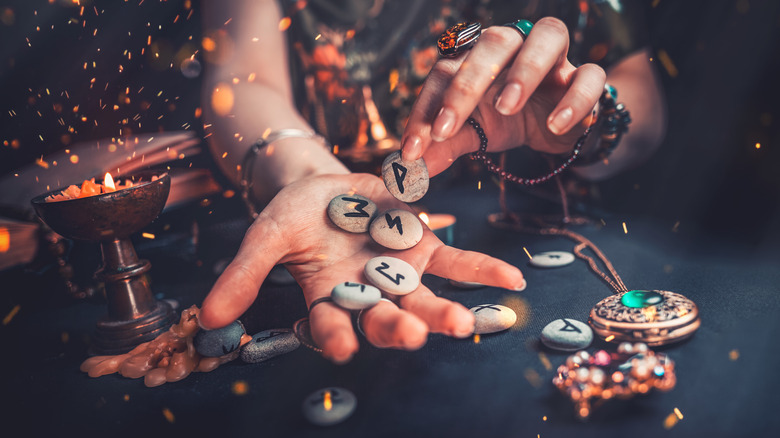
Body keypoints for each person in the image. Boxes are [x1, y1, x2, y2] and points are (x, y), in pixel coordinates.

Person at [198, 0, 666, 363]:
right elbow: (240, 80)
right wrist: (311, 174)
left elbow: (642, 93)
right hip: (352, 208)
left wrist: (586, 120)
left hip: (538, 221)